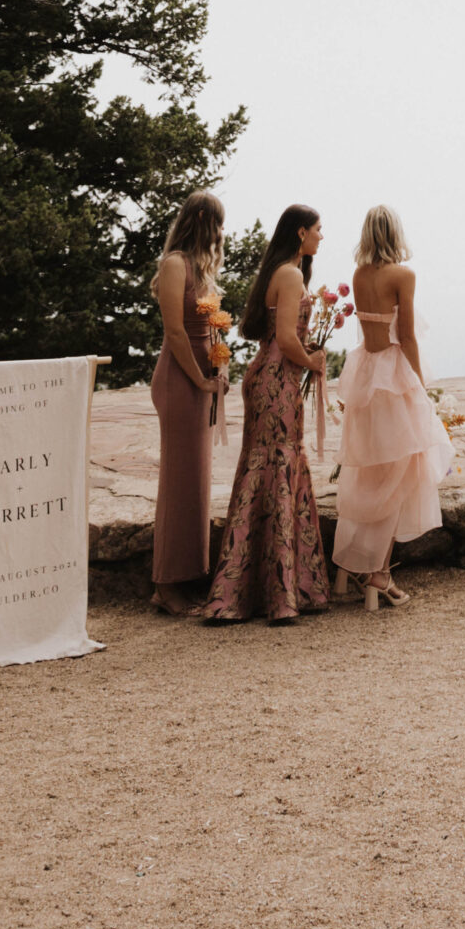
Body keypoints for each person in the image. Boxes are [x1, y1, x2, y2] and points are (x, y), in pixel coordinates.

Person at [199, 204, 330, 625]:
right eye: (317, 230)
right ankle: (275, 593)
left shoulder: (284, 273)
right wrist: (314, 361)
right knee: (275, 467)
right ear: (299, 233)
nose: (321, 237)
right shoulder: (290, 275)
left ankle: (259, 589)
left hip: (272, 378)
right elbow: (289, 339)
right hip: (277, 379)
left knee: (270, 469)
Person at [331, 205, 453, 609]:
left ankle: (348, 567)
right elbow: (407, 336)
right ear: (395, 232)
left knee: (368, 472)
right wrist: (419, 384)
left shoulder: (359, 274)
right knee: (398, 475)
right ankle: (379, 573)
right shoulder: (404, 275)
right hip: (393, 376)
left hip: (365, 372)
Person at [148, 190, 228, 615]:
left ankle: (187, 575)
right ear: (201, 219)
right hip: (180, 382)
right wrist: (199, 379)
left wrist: (220, 368)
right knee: (178, 483)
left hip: (200, 381)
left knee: (196, 483)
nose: (221, 232)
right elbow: (175, 331)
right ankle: (165, 584)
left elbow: (209, 329)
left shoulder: (199, 267)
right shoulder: (175, 264)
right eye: (218, 223)